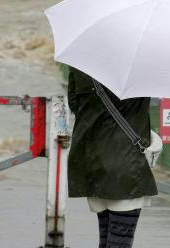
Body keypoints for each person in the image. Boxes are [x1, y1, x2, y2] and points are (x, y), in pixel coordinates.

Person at [67, 67, 158, 248]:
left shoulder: (81, 63)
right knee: (119, 242)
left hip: (92, 164)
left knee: (106, 240)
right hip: (125, 166)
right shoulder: (140, 66)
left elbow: (74, 104)